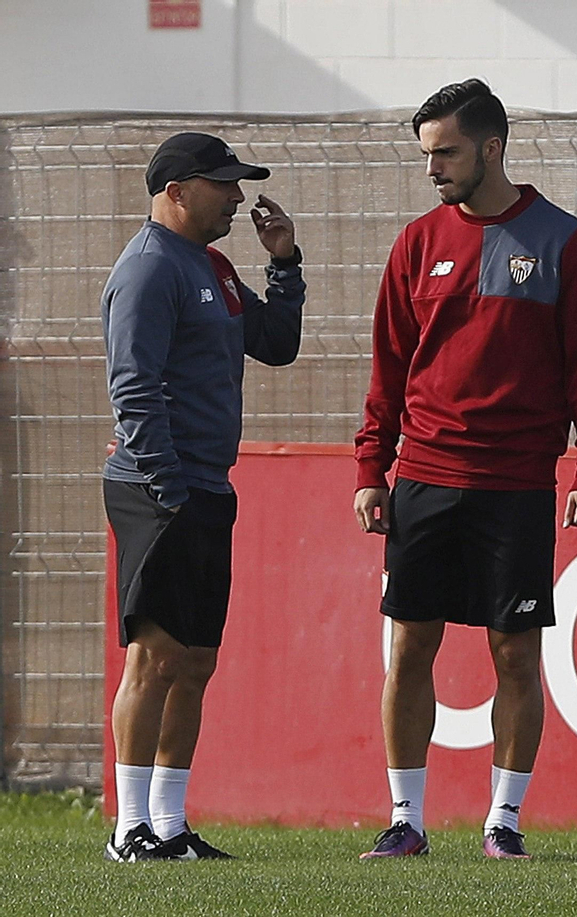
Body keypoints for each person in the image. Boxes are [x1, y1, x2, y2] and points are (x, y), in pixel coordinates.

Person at [353, 79, 577, 860]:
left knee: (514, 653)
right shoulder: (415, 243)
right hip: (425, 475)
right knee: (410, 648)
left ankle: (503, 821)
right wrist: (373, 466)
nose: (432, 167)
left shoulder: (562, 240)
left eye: (446, 151)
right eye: (426, 153)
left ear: (492, 148)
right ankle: (407, 819)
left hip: (518, 482)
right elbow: (388, 366)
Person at [102, 132, 304, 862]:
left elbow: (277, 342)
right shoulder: (150, 269)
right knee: (153, 657)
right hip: (161, 487)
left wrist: (284, 263)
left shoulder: (212, 265)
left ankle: (169, 823)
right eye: (225, 185)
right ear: (178, 192)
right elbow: (133, 386)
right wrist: (167, 483)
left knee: (194, 661)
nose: (240, 197)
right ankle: (128, 827)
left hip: (205, 486)